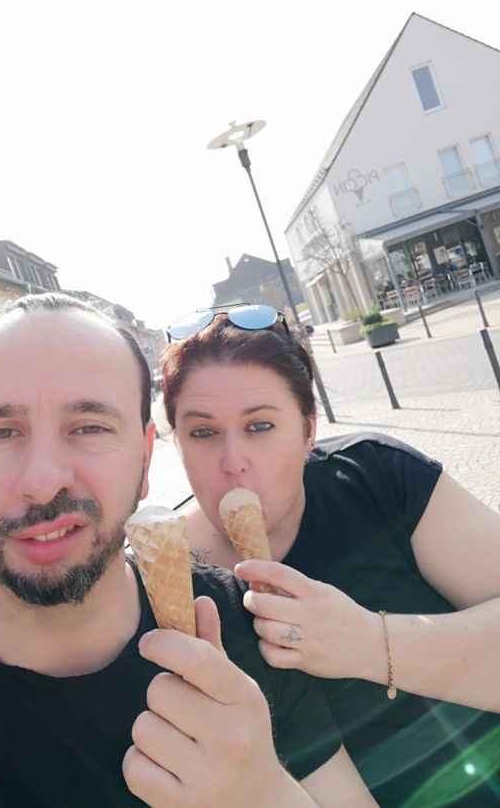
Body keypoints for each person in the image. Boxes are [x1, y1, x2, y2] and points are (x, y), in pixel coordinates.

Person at [0, 294, 375, 807]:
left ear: (146, 460)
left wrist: (264, 794)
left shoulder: (241, 621)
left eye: (89, 427)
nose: (42, 481)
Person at [160, 303, 500, 807]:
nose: (233, 463)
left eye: (260, 426)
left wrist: (367, 642)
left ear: (308, 428)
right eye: (203, 433)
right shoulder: (169, 584)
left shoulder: (375, 478)